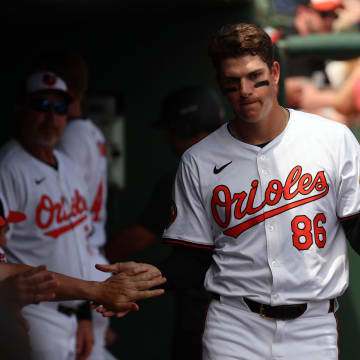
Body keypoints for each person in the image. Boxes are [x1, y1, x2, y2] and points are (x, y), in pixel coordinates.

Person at [97, 23, 360, 359]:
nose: (246, 90)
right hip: (235, 325)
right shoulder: (199, 159)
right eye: (232, 82)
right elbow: (194, 258)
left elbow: (356, 226)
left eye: (255, 76)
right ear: (221, 85)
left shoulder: (332, 140)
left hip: (313, 325)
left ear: (275, 72)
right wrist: (156, 276)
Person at [0, 70, 165, 360]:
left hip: (79, 308)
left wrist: (84, 316)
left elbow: (80, 247)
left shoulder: (69, 165)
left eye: (59, 109)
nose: (51, 118)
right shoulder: (8, 168)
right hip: (36, 315)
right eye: (41, 106)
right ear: (19, 111)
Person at [106, 86, 224, 360]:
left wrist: (90, 261)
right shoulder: (245, 162)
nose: (166, 139)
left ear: (185, 127)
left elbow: (139, 236)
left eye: (171, 130)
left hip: (208, 314)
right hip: (248, 313)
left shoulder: (184, 174)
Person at [53, 52, 113, 360]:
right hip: (89, 262)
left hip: (80, 263)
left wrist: (82, 313)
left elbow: (70, 217)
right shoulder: (88, 130)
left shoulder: (72, 136)